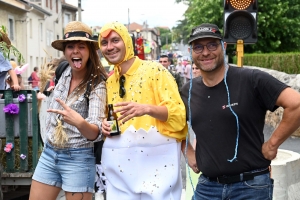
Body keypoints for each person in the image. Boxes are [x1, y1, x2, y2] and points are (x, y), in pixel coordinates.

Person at [180, 23, 300, 199]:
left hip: (250, 186)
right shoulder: (188, 90)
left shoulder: (251, 79)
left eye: (212, 45)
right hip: (207, 187)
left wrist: (272, 144)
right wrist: (188, 151)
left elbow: (296, 104)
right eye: (198, 47)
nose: (205, 52)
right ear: (191, 51)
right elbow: (172, 124)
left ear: (224, 46)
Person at [98, 21, 187, 200]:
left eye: (115, 40)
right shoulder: (109, 81)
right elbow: (109, 121)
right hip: (121, 172)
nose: (110, 47)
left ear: (127, 42)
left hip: (157, 168)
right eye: (104, 43)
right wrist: (104, 126)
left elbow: (179, 116)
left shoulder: (155, 71)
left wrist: (147, 109)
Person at [29, 21, 108, 200]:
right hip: (49, 154)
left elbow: (96, 133)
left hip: (78, 159)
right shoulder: (63, 70)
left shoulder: (97, 84)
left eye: (82, 46)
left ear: (90, 51)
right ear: (65, 52)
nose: (75, 51)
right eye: (70, 46)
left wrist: (79, 122)